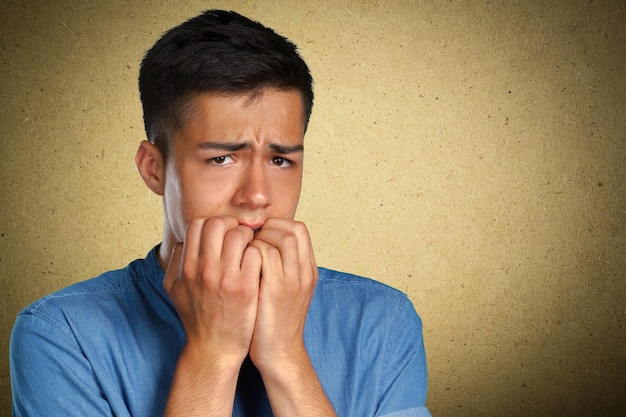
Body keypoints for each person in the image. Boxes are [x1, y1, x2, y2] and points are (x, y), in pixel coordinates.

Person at [10, 9, 431, 417]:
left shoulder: (383, 321)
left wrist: (286, 358)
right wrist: (213, 354)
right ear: (153, 169)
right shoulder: (60, 334)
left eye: (281, 160)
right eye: (223, 159)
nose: (257, 196)